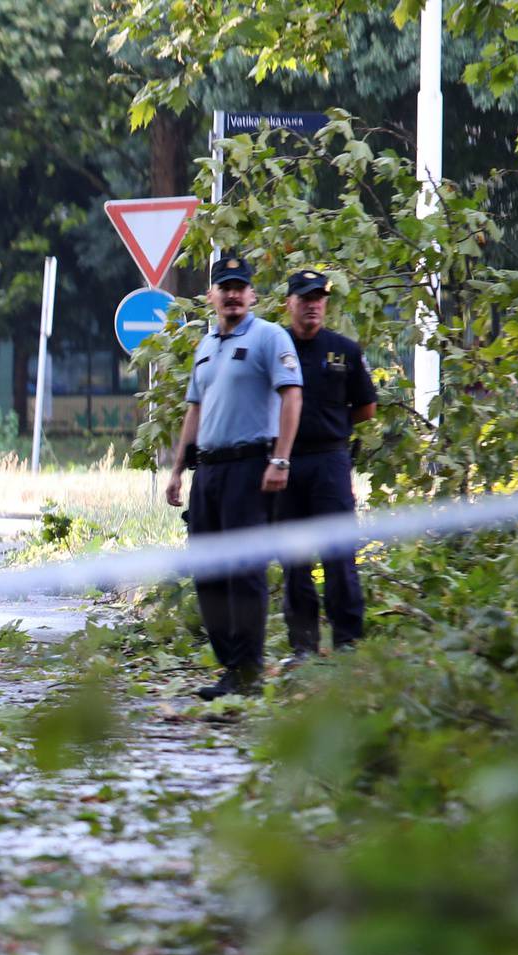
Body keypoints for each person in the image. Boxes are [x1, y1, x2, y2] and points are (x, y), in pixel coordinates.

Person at [164, 254, 303, 700]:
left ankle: (247, 670)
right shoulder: (206, 347)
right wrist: (177, 471)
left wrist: (280, 459)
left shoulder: (269, 337)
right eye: (224, 286)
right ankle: (230, 667)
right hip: (209, 471)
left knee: (244, 572)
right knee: (207, 571)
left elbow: (292, 397)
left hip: (250, 468)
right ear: (212, 296)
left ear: (252, 294)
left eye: (240, 286)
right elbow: (194, 411)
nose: (232, 294)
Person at [279, 269, 375, 661]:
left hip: (330, 461)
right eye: (305, 298)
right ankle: (303, 645)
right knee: (294, 560)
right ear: (289, 303)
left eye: (319, 298)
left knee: (338, 554)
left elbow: (366, 407)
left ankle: (347, 642)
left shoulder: (344, 350)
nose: (313, 304)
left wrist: (332, 429)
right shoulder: (274, 345)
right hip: (285, 462)